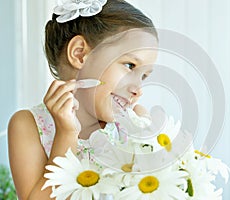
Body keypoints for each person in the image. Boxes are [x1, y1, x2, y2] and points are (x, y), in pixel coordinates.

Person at [8, 0, 158, 199]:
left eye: (144, 76)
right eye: (130, 66)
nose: (138, 89)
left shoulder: (135, 122)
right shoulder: (28, 125)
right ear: (79, 54)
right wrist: (66, 134)